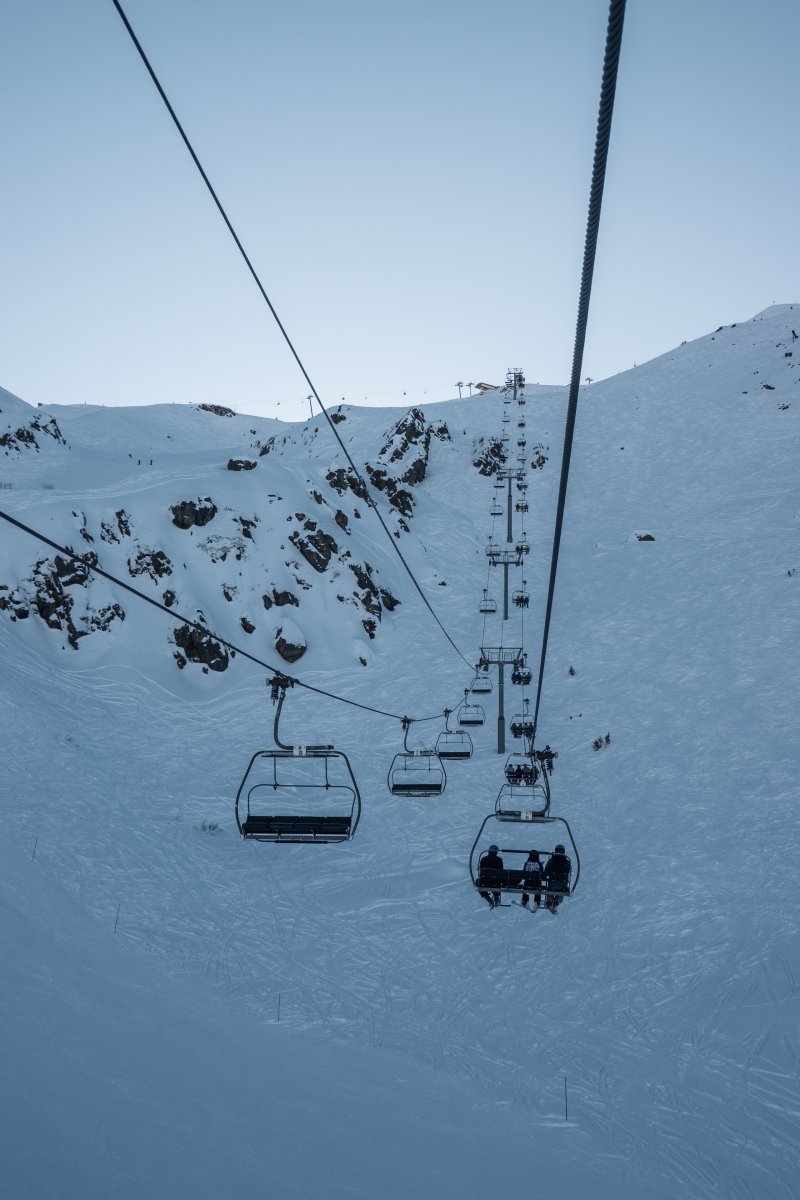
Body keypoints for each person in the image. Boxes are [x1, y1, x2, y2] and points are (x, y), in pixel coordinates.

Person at [543, 843, 571, 912]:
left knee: (551, 886)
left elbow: (546, 871)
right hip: (562, 886)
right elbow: (569, 872)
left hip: (552, 885)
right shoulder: (567, 861)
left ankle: (549, 902)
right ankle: (556, 903)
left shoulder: (551, 860)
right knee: (562, 888)